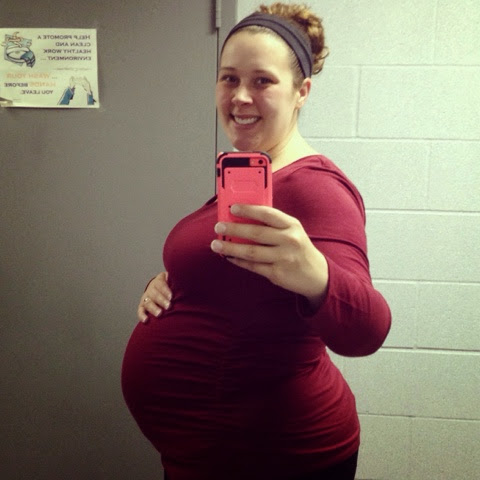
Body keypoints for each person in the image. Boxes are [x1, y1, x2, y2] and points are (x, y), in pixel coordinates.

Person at [121, 3, 391, 480]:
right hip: (213, 453)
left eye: (262, 81)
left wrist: (318, 278)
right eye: (229, 78)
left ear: (301, 92)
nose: (240, 96)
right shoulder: (256, 176)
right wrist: (169, 286)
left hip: (276, 456)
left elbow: (368, 329)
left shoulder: (316, 188)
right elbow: (231, 285)